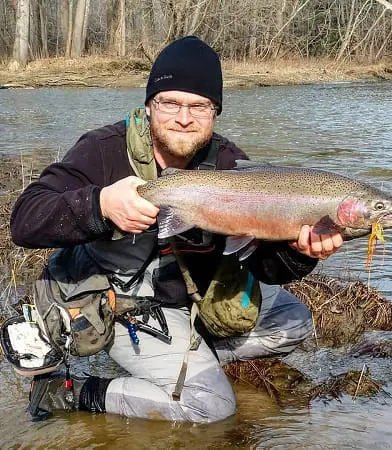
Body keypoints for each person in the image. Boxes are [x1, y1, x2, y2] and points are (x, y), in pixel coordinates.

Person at [10, 36, 343, 423]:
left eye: (199, 106)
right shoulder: (102, 150)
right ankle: (71, 393)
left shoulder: (228, 163)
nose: (184, 117)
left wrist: (301, 253)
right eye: (170, 103)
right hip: (123, 303)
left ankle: (183, 359)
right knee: (210, 407)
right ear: (149, 106)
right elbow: (25, 221)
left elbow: (264, 268)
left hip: (185, 296)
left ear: (214, 112)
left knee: (296, 323)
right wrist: (100, 205)